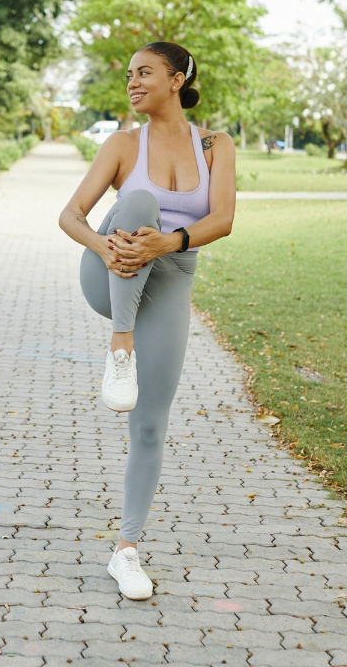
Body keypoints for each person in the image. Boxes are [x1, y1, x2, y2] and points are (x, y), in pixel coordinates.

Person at [58, 42, 236, 600]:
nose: (133, 83)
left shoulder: (215, 145)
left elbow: (224, 218)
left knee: (150, 425)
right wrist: (105, 248)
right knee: (137, 206)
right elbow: (70, 215)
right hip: (109, 273)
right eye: (130, 74)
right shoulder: (121, 144)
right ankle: (119, 349)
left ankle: (127, 551)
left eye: (145, 73)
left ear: (177, 78)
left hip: (171, 280)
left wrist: (170, 242)